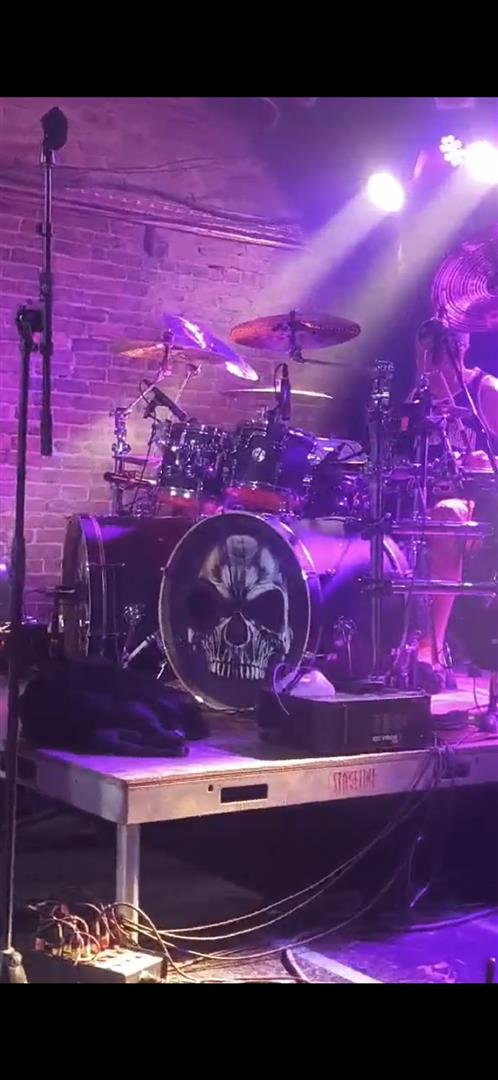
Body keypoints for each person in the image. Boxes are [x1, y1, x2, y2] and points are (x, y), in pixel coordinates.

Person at [410, 324, 498, 692]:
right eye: (424, 355)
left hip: (480, 503)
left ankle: (433, 648)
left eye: (436, 356)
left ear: (459, 349)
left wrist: (487, 463)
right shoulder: (419, 398)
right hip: (423, 500)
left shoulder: (484, 390)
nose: (429, 366)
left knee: (444, 518)